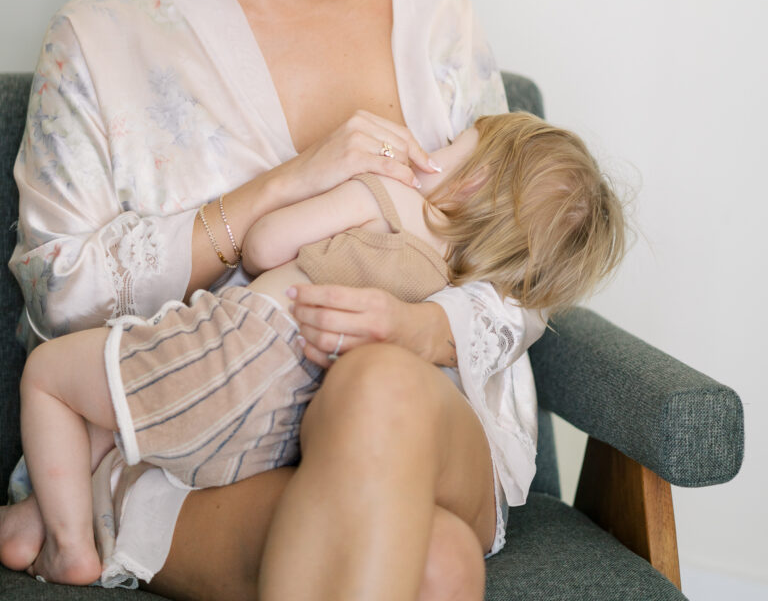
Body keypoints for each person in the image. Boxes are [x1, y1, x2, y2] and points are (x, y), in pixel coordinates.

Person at [0, 0, 579, 601]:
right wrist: (287, 184)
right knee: (436, 565)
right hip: (194, 447)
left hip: (425, 419)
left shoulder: (436, 27)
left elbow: (526, 257)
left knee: (379, 384)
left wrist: (418, 329)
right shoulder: (102, 39)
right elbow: (58, 290)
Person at [15, 111, 626, 584]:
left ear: (477, 178)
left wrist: (340, 186)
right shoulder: (457, 285)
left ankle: (69, 547)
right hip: (280, 433)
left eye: (458, 139)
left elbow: (264, 246)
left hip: (234, 354)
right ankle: (37, 516)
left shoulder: (391, 199)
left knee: (51, 375)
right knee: (118, 398)